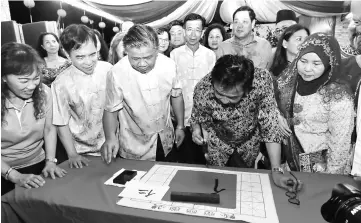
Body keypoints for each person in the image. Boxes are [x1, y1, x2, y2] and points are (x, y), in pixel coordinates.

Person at [190, 54, 301, 192]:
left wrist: (276, 171)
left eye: (232, 97)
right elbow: (197, 116)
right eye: (219, 94)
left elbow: (270, 125)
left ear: (248, 89)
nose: (224, 101)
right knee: (217, 186)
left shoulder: (261, 81)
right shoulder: (202, 88)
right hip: (217, 144)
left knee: (244, 187)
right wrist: (196, 131)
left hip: (248, 144)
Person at [101, 24, 185, 163]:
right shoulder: (116, 73)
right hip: (134, 143)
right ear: (126, 51)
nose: (142, 64)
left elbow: (177, 95)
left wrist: (180, 126)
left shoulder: (170, 66)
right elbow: (110, 109)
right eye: (134, 58)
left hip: (166, 138)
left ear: (157, 50)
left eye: (148, 57)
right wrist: (110, 138)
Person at [275, 33, 354, 174]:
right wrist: (277, 115)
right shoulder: (288, 82)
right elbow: (268, 104)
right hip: (288, 164)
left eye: (316, 63)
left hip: (320, 169)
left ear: (329, 62)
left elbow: (340, 142)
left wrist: (332, 177)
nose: (307, 68)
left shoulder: (338, 95)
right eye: (303, 61)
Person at [1, 43, 66, 195]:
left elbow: (49, 129)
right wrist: (14, 176)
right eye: (24, 80)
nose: (31, 86)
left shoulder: (44, 92)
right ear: (3, 77)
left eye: (36, 78)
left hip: (38, 162)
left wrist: (50, 161)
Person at [52, 24, 113, 168]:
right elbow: (62, 122)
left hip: (112, 145)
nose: (88, 62)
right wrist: (72, 154)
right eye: (80, 57)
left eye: (92, 54)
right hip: (82, 152)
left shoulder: (108, 70)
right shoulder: (60, 84)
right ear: (67, 55)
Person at [170, 13, 216, 164]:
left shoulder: (210, 55)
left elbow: (212, 88)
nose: (193, 34)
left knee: (204, 160)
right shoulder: (174, 55)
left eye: (197, 29)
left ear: (203, 32)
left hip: (205, 118)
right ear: (183, 31)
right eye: (189, 29)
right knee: (184, 159)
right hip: (181, 117)